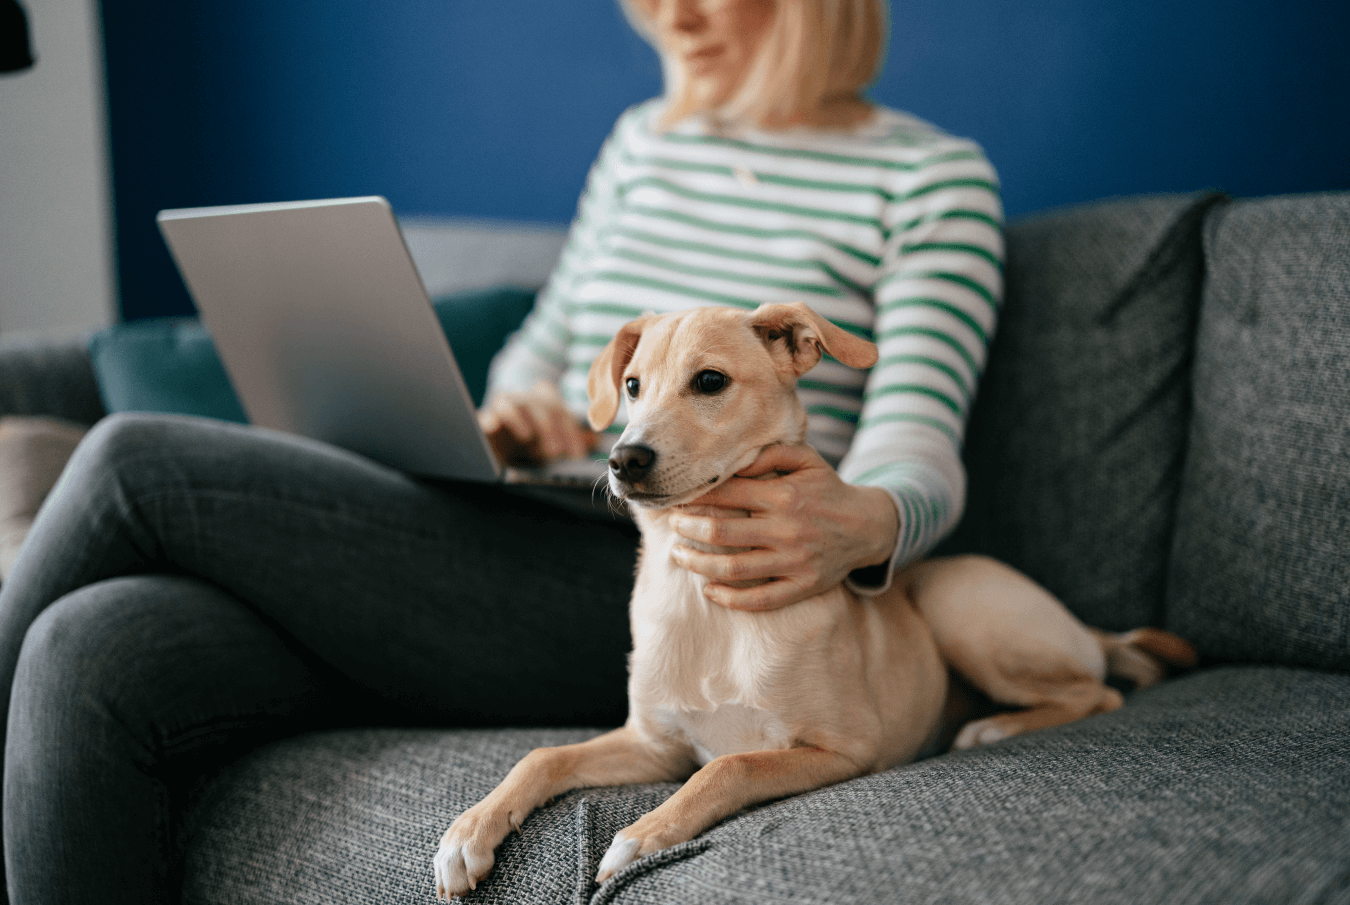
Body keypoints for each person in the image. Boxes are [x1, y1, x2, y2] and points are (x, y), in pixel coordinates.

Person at [0, 0, 1002, 901]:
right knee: (91, 640)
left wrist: (866, 522)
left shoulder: (928, 178)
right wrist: (518, 409)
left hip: (673, 575)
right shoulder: (643, 143)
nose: (667, 13)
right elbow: (546, 349)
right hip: (535, 504)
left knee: (136, 461)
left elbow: (919, 441)